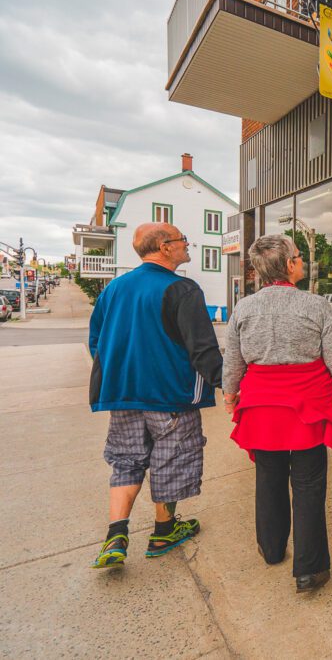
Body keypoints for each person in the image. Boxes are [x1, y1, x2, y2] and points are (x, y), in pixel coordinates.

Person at [222, 235, 332, 594]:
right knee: (308, 485)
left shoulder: (243, 309)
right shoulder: (316, 305)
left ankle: (272, 549)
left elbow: (233, 362)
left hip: (261, 408)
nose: (303, 261)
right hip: (307, 407)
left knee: (268, 478)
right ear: (289, 266)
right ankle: (309, 569)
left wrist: (230, 398)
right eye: (299, 257)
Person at [89, 223, 223, 569]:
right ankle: (164, 529)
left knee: (126, 460)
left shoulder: (113, 289)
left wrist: (118, 376)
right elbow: (202, 348)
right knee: (172, 459)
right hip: (170, 395)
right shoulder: (182, 288)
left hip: (123, 395)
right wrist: (228, 382)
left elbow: (96, 342)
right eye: (182, 240)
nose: (186, 245)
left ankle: (116, 536)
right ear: (165, 247)